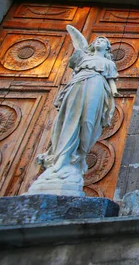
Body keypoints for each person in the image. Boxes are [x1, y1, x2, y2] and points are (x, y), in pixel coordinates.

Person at [27, 28, 119, 196]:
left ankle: (79, 157)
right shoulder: (85, 58)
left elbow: (112, 81)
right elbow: (73, 63)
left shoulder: (109, 64)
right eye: (97, 40)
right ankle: (61, 160)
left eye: (103, 41)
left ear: (108, 48)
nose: (99, 41)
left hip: (97, 86)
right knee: (69, 120)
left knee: (87, 121)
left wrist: (114, 93)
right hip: (77, 85)